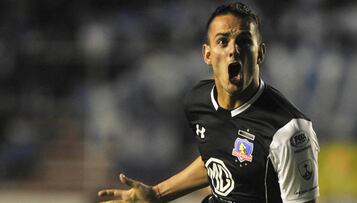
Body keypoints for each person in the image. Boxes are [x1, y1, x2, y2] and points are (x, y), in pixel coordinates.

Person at [98, 2, 320, 203]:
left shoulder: (289, 132)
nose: (233, 50)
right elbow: (217, 157)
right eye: (223, 41)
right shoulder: (198, 101)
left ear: (260, 53)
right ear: (207, 54)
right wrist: (157, 193)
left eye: (244, 41)